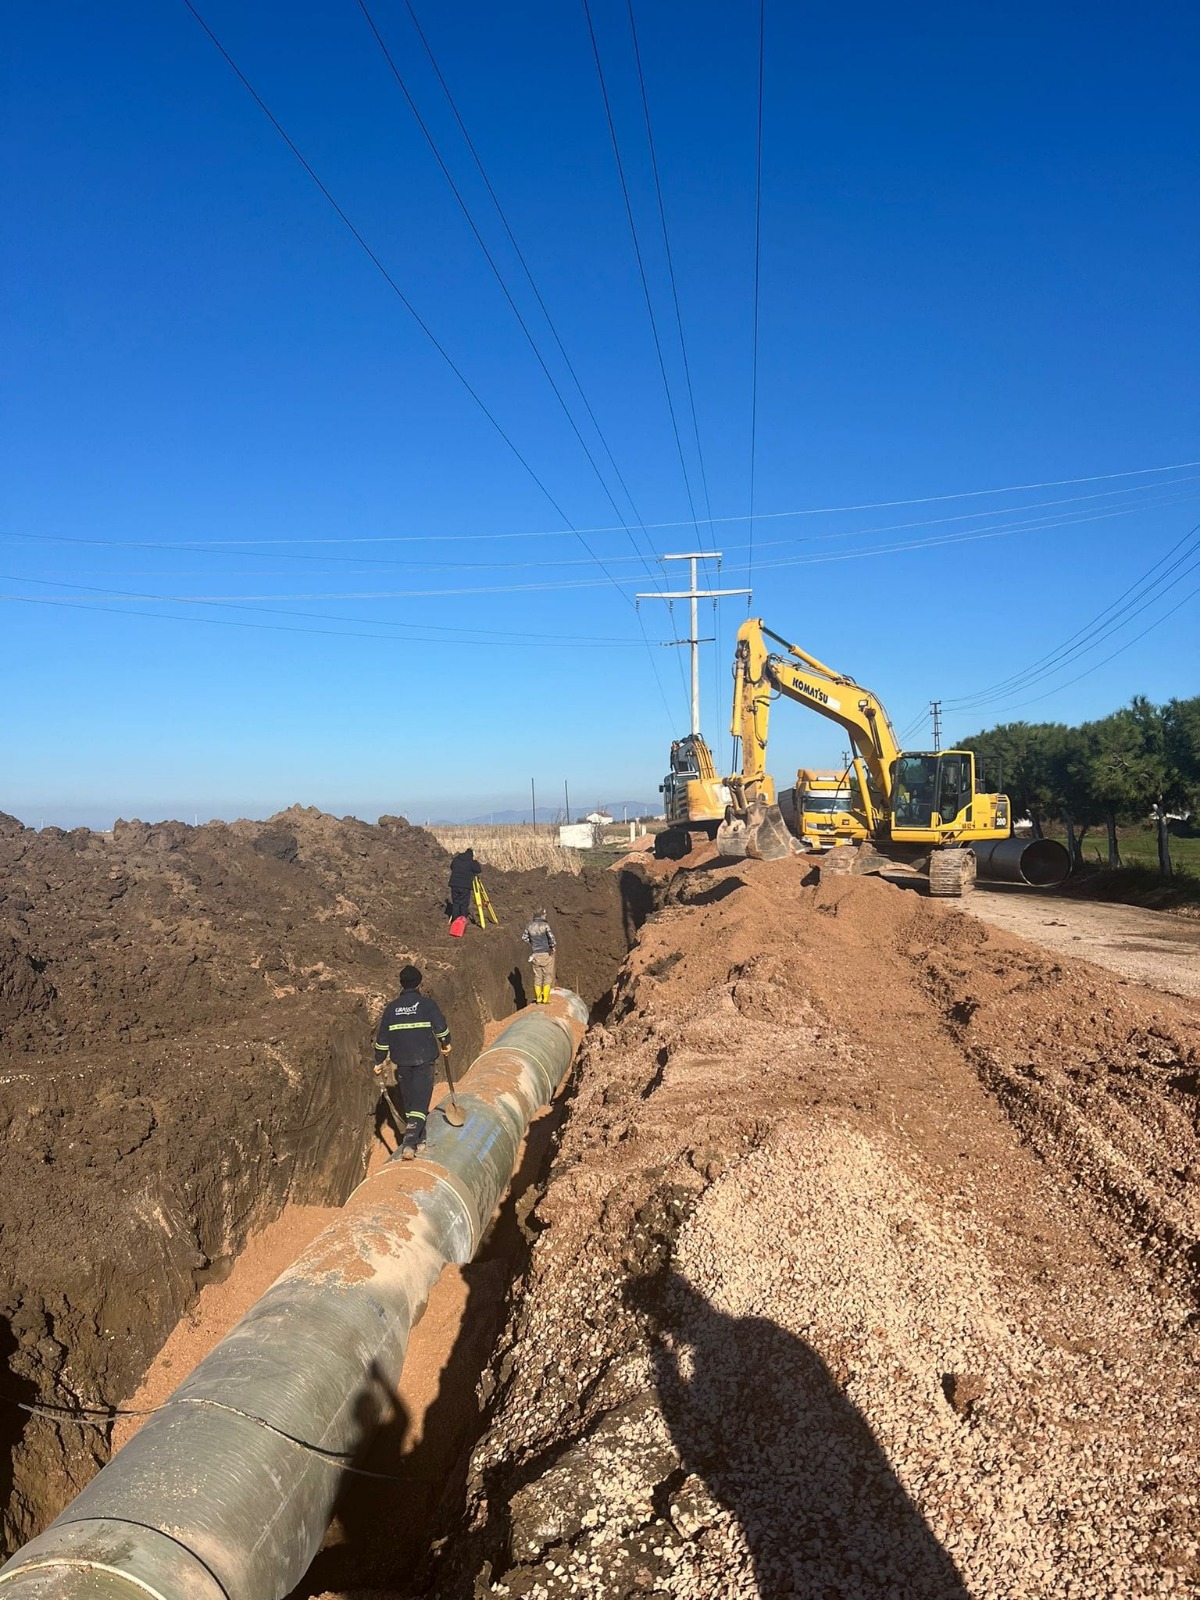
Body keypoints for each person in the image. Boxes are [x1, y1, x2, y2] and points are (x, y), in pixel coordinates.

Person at [372, 965, 452, 1160]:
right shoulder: (427, 1005)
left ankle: (421, 1141)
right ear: (419, 982)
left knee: (411, 1103)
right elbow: (441, 1028)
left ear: (401, 984)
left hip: (402, 1062)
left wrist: (378, 1061)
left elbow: (382, 1039)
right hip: (424, 1060)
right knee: (420, 1101)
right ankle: (409, 1144)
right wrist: (446, 1043)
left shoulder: (391, 1009)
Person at [521, 908, 557, 1004]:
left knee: (537, 977)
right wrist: (552, 947)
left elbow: (524, 938)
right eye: (544, 914)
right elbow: (552, 939)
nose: (545, 916)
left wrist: (532, 944)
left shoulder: (529, 926)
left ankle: (538, 998)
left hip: (535, 954)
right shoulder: (545, 925)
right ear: (541, 915)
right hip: (546, 953)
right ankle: (545, 999)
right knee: (547, 976)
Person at [448, 847, 479, 924]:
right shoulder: (471, 862)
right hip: (465, 886)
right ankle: (462, 920)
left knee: (456, 903)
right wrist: (475, 861)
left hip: (454, 885)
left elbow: (451, 867)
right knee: (464, 904)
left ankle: (455, 920)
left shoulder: (456, 859)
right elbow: (478, 870)